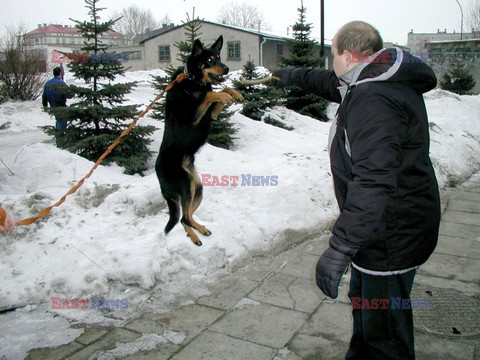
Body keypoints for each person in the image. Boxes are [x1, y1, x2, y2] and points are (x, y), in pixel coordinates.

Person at [274, 21, 440, 359]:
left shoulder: (373, 97)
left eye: (332, 53)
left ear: (348, 55)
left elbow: (373, 180)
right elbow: (327, 82)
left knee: (385, 334)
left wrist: (340, 248)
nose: (330, 63)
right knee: (367, 310)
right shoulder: (373, 78)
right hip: (384, 229)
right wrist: (287, 75)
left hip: (391, 234)